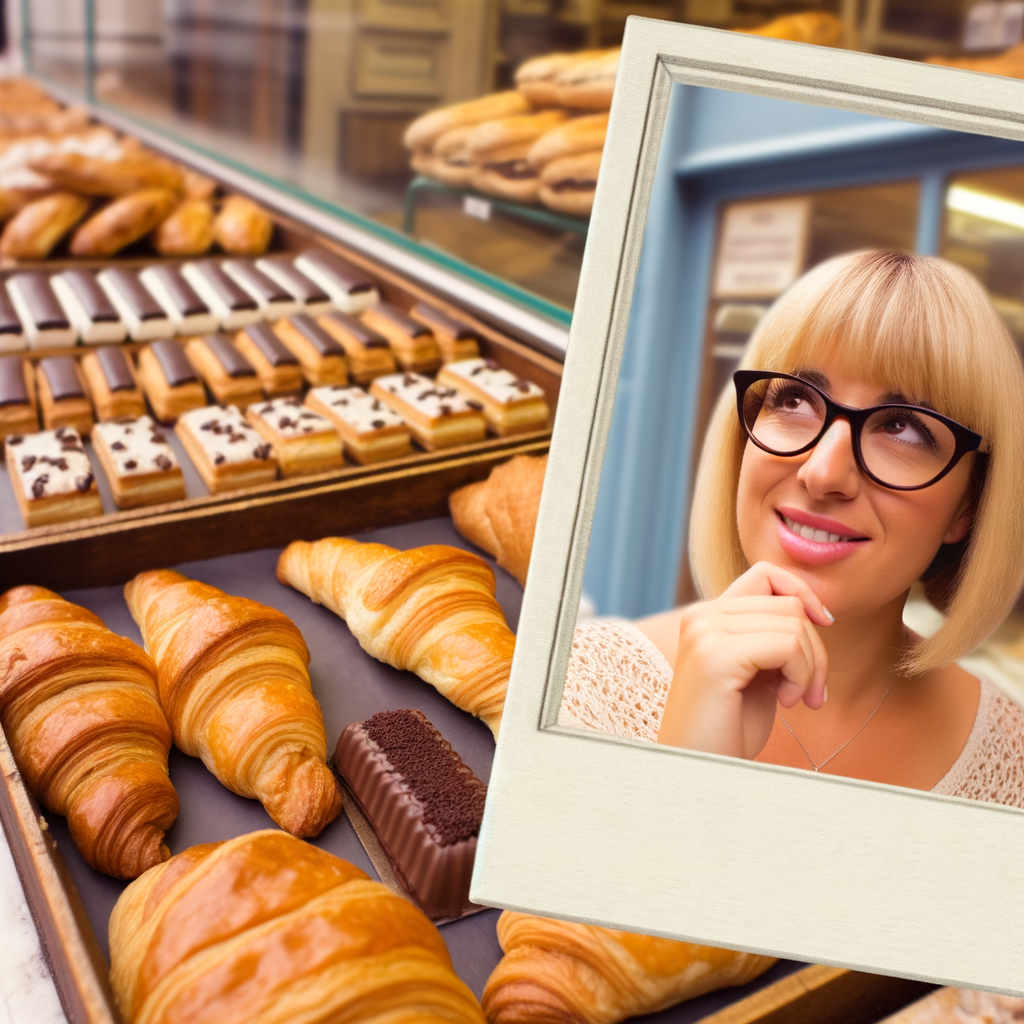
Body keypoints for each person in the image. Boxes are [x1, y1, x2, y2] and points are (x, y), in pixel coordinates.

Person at [559, 250, 1024, 806]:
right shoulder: (578, 684)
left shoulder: (1012, 766)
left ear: (968, 507)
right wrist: (684, 776)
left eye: (902, 428)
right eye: (796, 398)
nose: (823, 472)